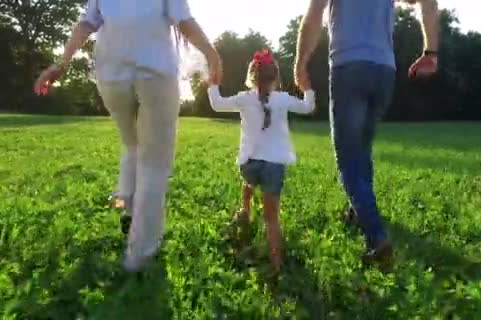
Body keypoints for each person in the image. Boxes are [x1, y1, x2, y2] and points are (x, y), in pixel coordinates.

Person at [33, 0, 222, 273]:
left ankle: (127, 206)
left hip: (111, 77)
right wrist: (213, 56)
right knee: (154, 163)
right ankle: (139, 255)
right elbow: (184, 22)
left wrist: (61, 63)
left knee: (132, 143)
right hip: (155, 74)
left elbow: (86, 24)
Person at [294, 0, 440, 266]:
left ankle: (377, 236)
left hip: (349, 66)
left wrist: (300, 63)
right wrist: (431, 52)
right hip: (384, 70)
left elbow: (314, 14)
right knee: (362, 148)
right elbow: (427, 3)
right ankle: (356, 212)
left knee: (348, 158)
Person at [207, 49, 315, 272]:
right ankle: (276, 264)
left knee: (248, 182)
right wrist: (307, 89)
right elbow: (308, 107)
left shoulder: (243, 99)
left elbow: (217, 103)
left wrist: (213, 83)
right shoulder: (283, 99)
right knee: (271, 218)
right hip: (274, 166)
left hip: (249, 164)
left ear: (251, 77)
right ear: (275, 78)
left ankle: (245, 210)